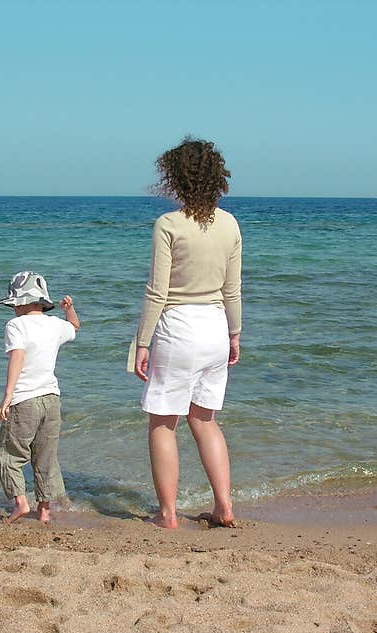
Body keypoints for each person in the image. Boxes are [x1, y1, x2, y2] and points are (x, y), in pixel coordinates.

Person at [132, 138, 242, 529]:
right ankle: (224, 506)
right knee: (205, 420)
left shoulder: (169, 224)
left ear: (174, 178)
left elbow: (156, 292)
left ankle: (167, 515)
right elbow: (232, 289)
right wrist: (235, 334)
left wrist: (142, 342)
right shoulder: (229, 223)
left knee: (163, 422)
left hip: (178, 328)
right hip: (215, 327)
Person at [0, 271, 80, 524]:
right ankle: (44, 509)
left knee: (10, 454)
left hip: (25, 400)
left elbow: (17, 357)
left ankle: (20, 503)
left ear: (20, 302)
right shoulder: (55, 324)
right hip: (51, 399)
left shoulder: (16, 325)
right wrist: (69, 309)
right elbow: (75, 327)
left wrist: (7, 396)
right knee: (46, 455)